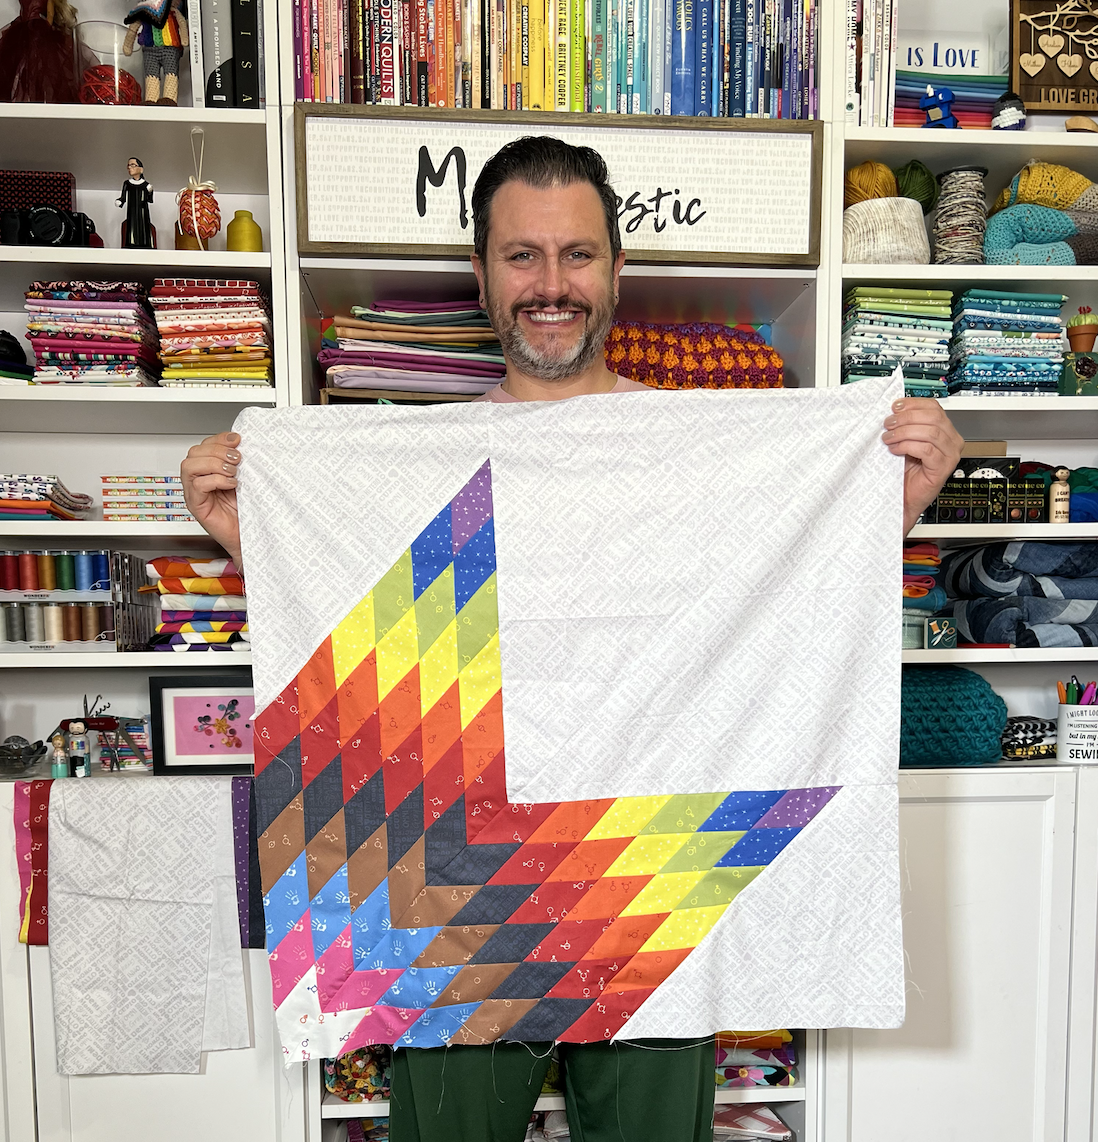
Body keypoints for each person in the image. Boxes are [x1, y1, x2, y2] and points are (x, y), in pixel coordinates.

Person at [182, 136, 964, 1142]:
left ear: (617, 271)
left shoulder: (705, 454)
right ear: (481, 273)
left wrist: (893, 501)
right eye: (522, 256)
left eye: (577, 255)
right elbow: (354, 631)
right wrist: (261, 535)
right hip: (449, 889)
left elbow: (787, 600)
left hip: (650, 880)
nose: (552, 286)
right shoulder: (405, 469)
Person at [117, 156, 154, 249]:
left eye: (132, 165)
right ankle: (131, 243)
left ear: (140, 169)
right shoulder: (127, 183)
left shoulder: (146, 184)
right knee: (131, 226)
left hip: (143, 211)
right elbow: (123, 197)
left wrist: (150, 192)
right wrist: (120, 201)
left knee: (143, 226)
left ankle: (145, 243)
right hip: (132, 210)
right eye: (128, 165)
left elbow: (149, 199)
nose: (130, 167)